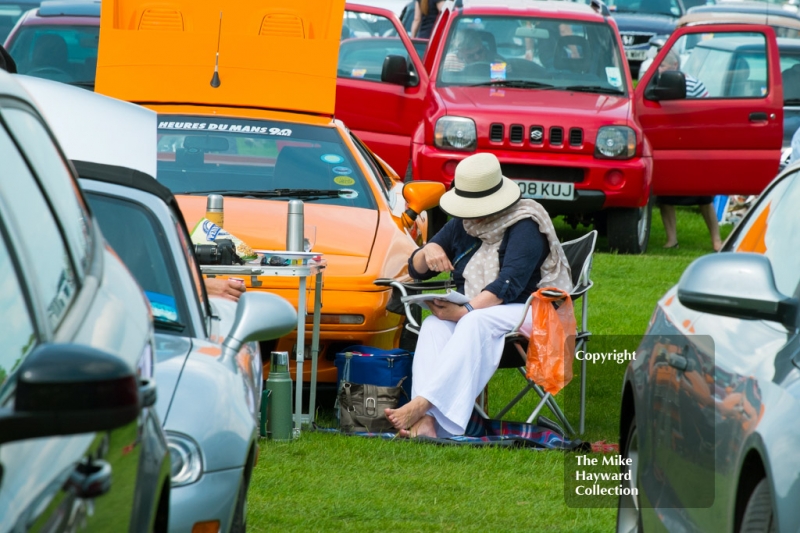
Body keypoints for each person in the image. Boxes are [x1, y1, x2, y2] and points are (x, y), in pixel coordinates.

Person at [384, 152, 572, 438]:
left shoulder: (525, 225)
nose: (469, 211)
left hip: (531, 310)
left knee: (474, 322)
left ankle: (422, 405)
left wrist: (465, 310)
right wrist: (428, 251)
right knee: (434, 325)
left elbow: (508, 285)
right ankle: (428, 426)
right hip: (483, 312)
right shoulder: (464, 222)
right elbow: (417, 269)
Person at [655, 49, 720, 251]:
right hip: (671, 146)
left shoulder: (692, 84)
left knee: (704, 197)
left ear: (674, 66)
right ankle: (671, 240)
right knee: (665, 195)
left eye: (663, 65)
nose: (659, 69)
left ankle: (717, 241)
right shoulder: (658, 83)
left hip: (694, 147)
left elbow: (706, 114)